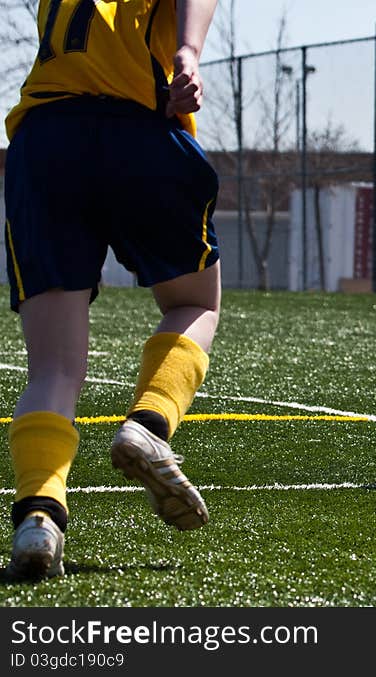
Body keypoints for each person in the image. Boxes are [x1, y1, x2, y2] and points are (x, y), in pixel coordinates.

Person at [3, 0, 221, 581]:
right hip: (139, 131)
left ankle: (39, 515)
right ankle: (148, 425)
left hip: (46, 141)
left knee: (53, 369)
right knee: (193, 302)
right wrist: (188, 54)